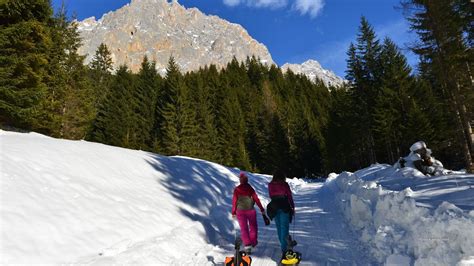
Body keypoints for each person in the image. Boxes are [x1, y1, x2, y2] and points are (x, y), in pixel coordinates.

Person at [231, 171, 265, 254]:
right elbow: (256, 199)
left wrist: (233, 212)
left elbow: (234, 201)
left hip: (240, 211)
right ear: (247, 180)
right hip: (250, 210)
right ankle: (253, 242)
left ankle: (247, 246)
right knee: (253, 227)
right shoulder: (250, 188)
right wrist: (261, 208)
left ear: (240, 180)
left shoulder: (237, 189)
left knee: (244, 228)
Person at [266, 169, 295, 257]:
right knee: (284, 227)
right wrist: (293, 207)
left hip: (274, 206)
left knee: (279, 227)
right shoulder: (284, 184)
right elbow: (289, 196)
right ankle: (284, 249)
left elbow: (271, 195)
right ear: (283, 177)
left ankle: (283, 244)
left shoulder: (270, 185)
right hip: (284, 206)